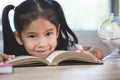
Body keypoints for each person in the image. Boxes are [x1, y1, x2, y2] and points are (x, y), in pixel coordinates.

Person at [0, 0, 103, 63]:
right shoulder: (7, 51)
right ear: (18, 37)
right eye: (32, 36)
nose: (42, 43)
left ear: (57, 32)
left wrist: (90, 53)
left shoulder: (65, 46)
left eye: (48, 34)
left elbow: (97, 51)